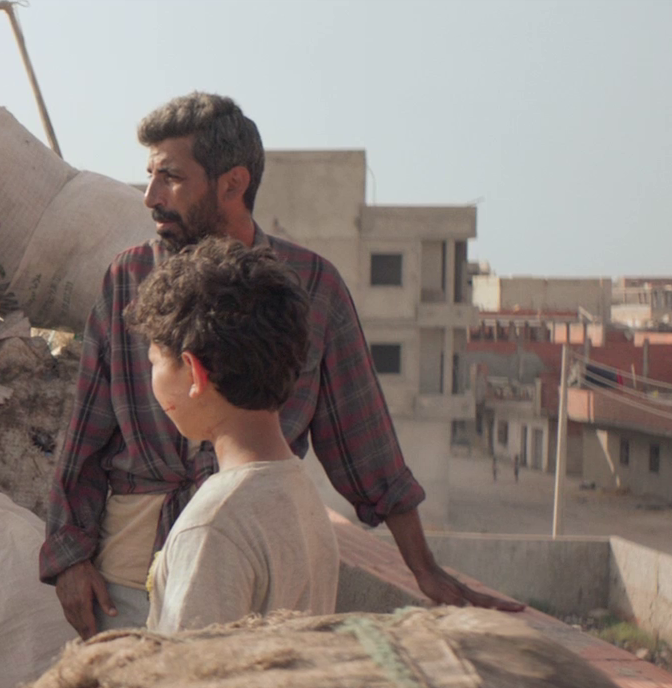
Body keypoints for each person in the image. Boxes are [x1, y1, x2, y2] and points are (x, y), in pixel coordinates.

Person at [44, 91, 521, 639]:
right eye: (149, 175)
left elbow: (366, 442)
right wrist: (69, 556)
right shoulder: (129, 278)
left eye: (170, 177)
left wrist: (424, 569)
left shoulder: (310, 285)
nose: (150, 196)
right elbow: (85, 434)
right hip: (127, 582)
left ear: (233, 184)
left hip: (262, 564)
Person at [126, 237, 338, 632]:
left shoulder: (213, 526)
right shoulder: (299, 490)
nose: (152, 377)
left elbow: (187, 669)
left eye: (155, 361)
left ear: (194, 373)